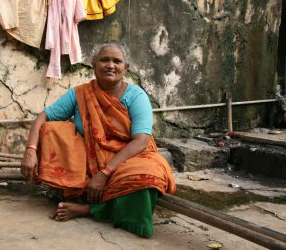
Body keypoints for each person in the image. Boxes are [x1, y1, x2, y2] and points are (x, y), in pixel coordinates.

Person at [21, 41, 176, 238]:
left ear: (125, 68)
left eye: (117, 61)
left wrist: (104, 173)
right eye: (104, 60)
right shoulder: (81, 94)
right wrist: (30, 150)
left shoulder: (137, 96)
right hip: (90, 158)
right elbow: (44, 117)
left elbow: (141, 141)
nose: (110, 65)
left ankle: (88, 209)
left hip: (129, 157)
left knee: (146, 178)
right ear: (93, 65)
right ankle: (74, 191)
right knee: (52, 129)